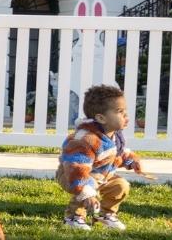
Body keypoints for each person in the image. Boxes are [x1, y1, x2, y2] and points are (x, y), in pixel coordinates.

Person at [57, 85, 143, 231]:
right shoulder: (86, 139)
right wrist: (86, 192)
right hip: (72, 174)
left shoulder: (114, 135)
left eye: (125, 111)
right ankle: (73, 217)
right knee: (88, 187)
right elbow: (76, 167)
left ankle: (106, 214)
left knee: (120, 185)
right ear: (101, 118)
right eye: (120, 112)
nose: (126, 116)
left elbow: (118, 153)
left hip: (101, 175)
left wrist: (131, 160)